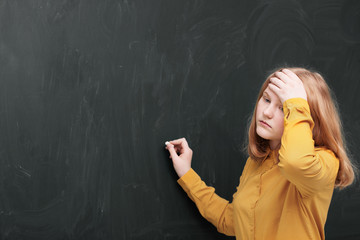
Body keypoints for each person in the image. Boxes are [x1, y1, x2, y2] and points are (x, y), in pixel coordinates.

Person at [165, 68, 356, 240]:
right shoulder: (256, 162)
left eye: (283, 107)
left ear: (307, 116)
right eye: (266, 100)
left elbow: (295, 163)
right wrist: (187, 174)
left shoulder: (324, 161)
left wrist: (296, 103)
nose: (267, 112)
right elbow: (232, 221)